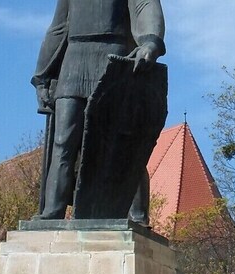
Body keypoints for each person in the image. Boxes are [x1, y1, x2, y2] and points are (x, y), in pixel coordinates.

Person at [32, 0, 166, 220]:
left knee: (124, 141)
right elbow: (58, 27)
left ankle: (137, 217)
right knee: (63, 141)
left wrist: (150, 42)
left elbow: (145, 5)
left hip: (114, 57)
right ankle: (52, 212)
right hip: (74, 62)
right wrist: (42, 76)